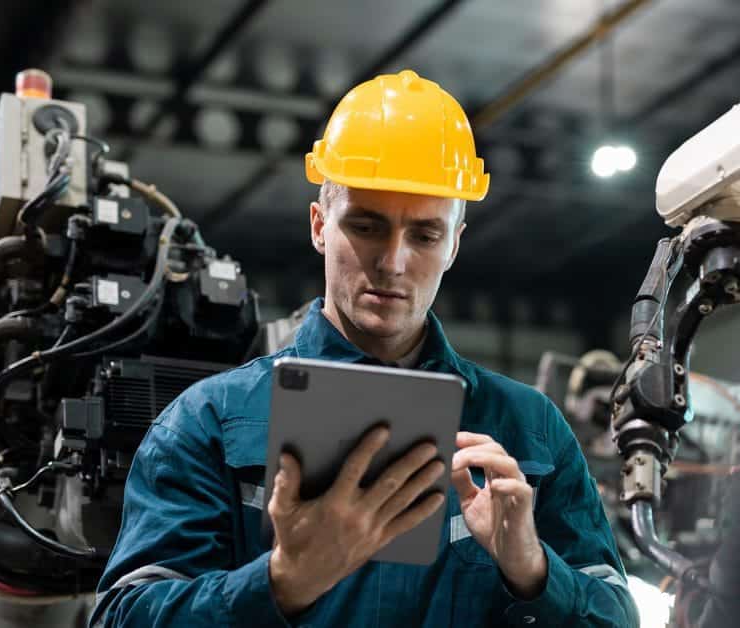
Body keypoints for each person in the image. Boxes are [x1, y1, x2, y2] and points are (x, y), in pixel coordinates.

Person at [90, 70, 638, 627]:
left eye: (425, 235)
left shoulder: (530, 430)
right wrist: (282, 581)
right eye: (367, 226)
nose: (394, 261)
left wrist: (533, 569)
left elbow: (617, 618)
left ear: (454, 245)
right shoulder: (210, 421)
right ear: (319, 225)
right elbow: (124, 617)